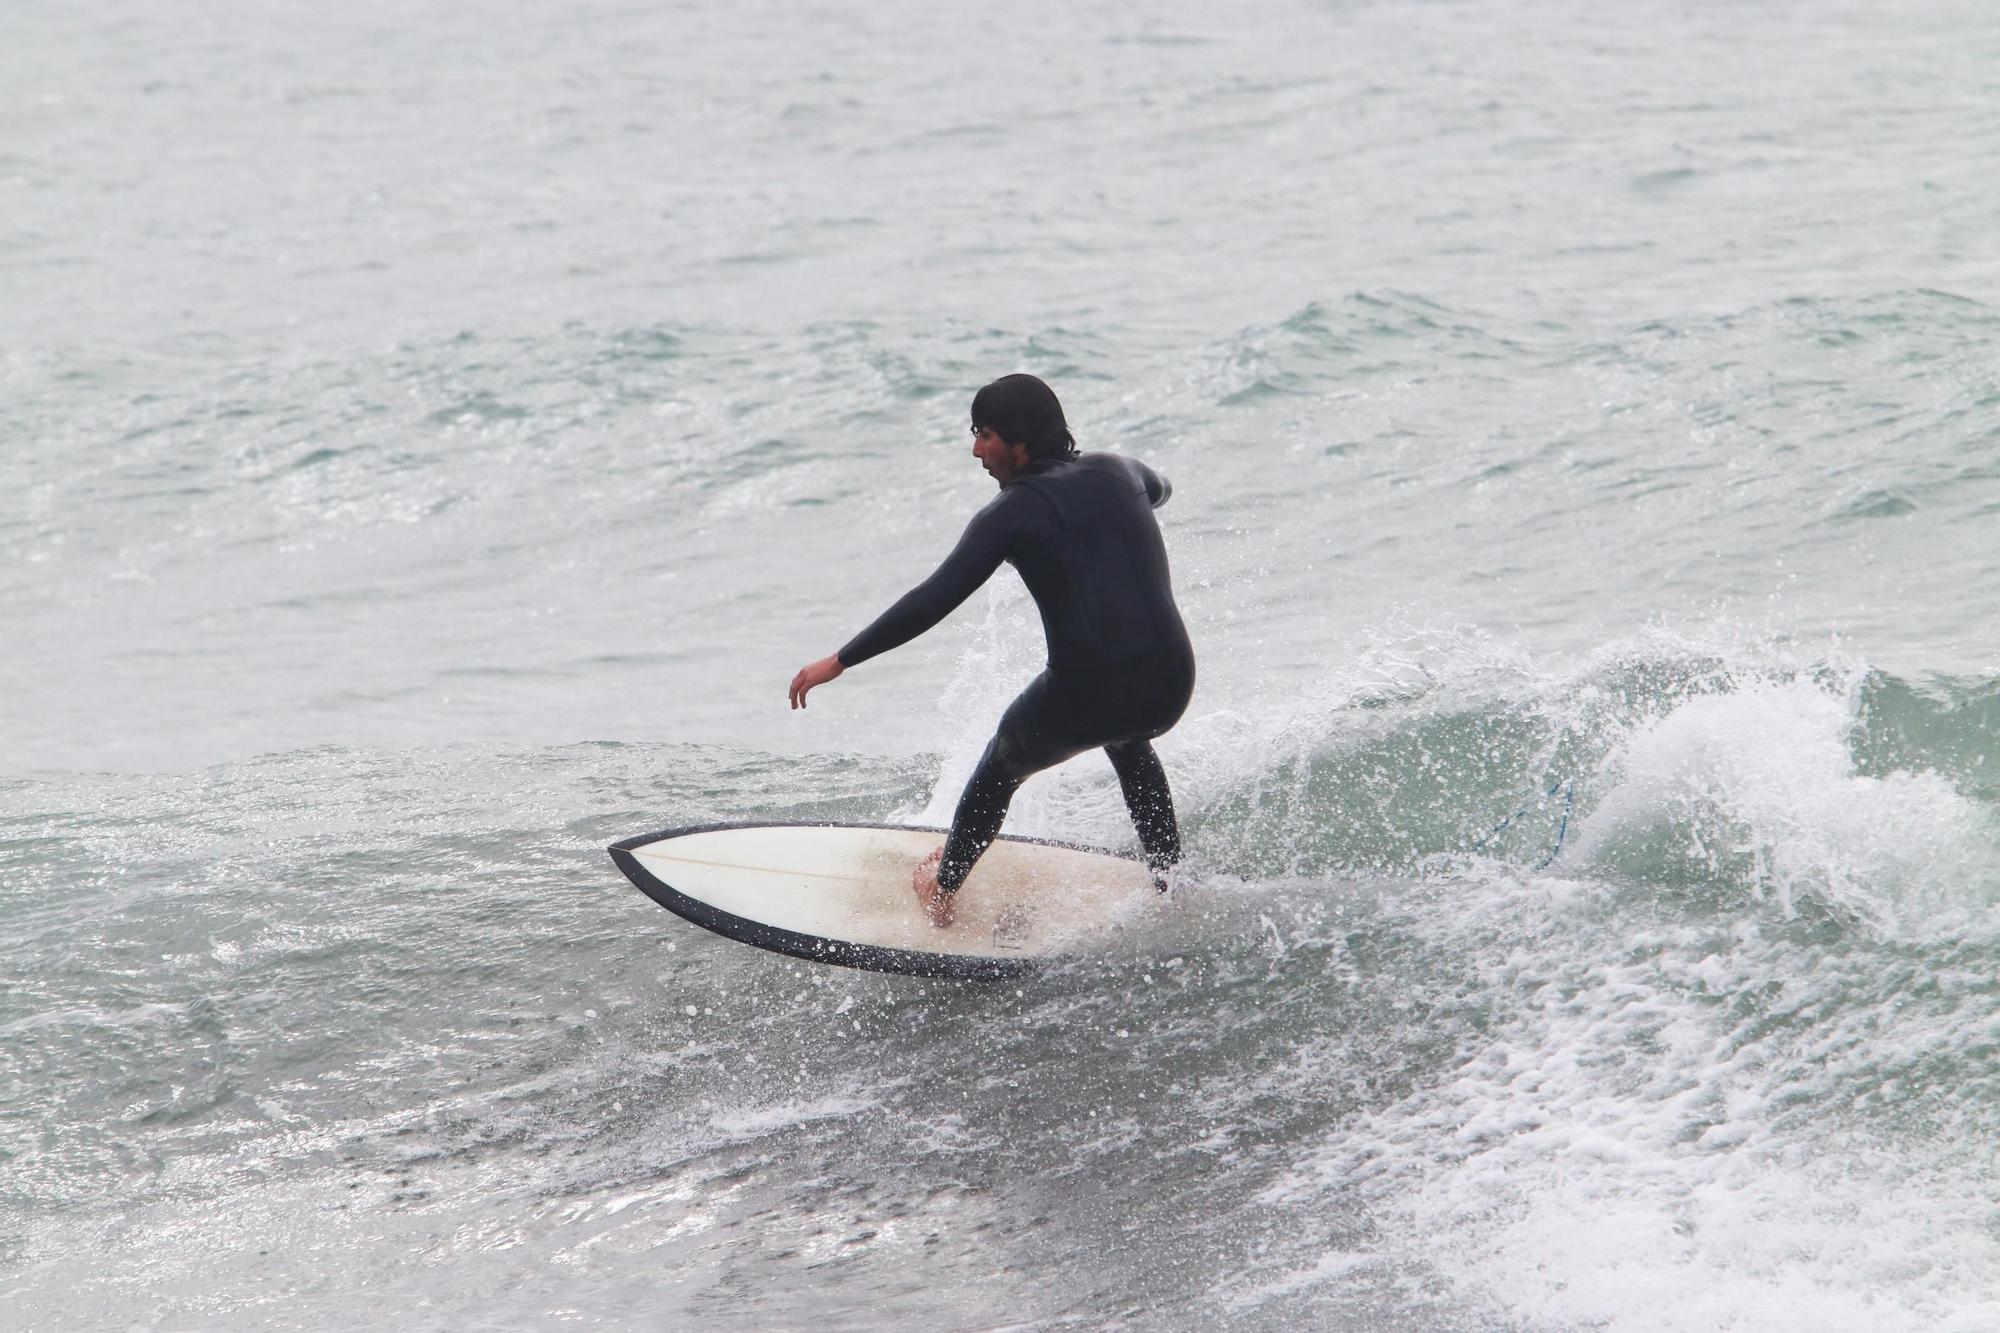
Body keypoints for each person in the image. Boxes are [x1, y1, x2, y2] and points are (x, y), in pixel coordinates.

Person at [787, 373, 1195, 927]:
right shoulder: (1118, 470)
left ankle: (942, 889)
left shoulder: (1011, 513)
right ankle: (1172, 883)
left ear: (1020, 441)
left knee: (1000, 764)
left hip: (1090, 694)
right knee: (1127, 739)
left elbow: (934, 598)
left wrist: (840, 660)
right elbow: (1161, 489)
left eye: (985, 435)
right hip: (1170, 683)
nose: (976, 450)